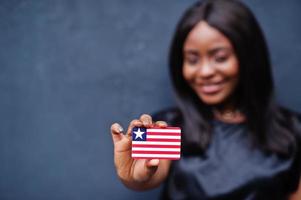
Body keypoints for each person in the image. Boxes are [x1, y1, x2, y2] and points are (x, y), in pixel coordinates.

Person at [110, 0, 301, 199]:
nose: (205, 72)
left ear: (248, 56)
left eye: (220, 58)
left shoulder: (295, 132)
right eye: (192, 60)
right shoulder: (167, 127)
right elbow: (147, 172)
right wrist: (135, 176)